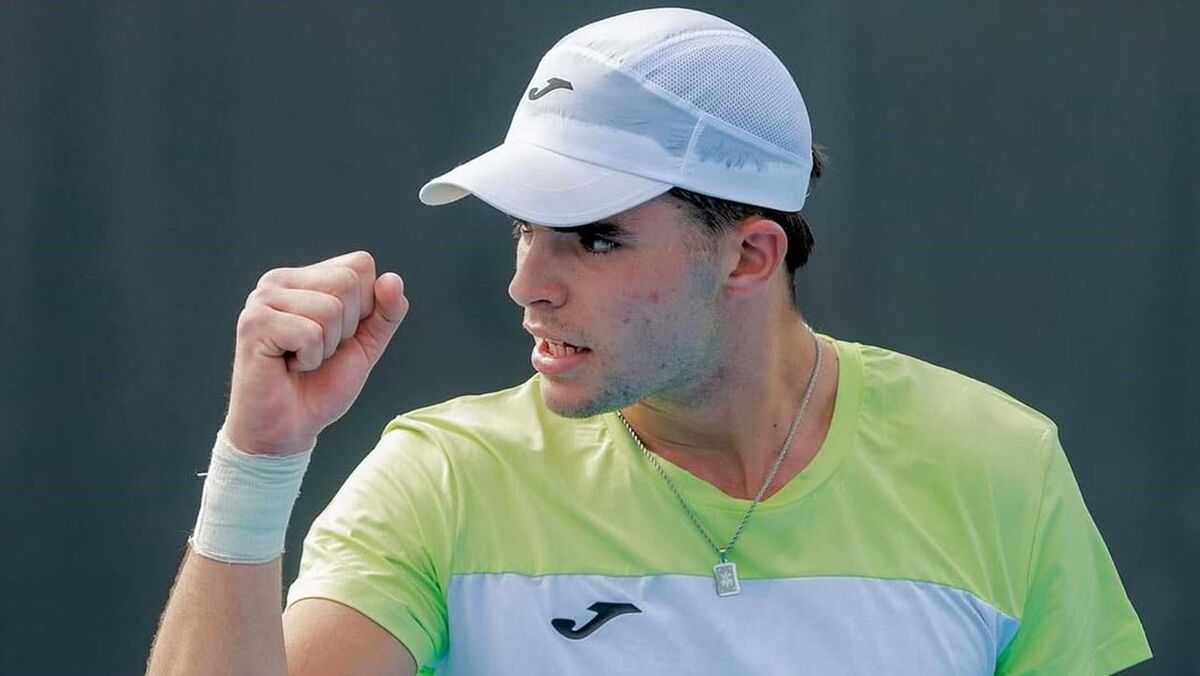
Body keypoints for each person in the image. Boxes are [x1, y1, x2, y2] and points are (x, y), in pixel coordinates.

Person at [147, 8, 1151, 675]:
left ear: (750, 255)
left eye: (595, 238)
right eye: (524, 228)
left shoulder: (1001, 466)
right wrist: (257, 464)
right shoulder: (442, 478)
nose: (527, 285)